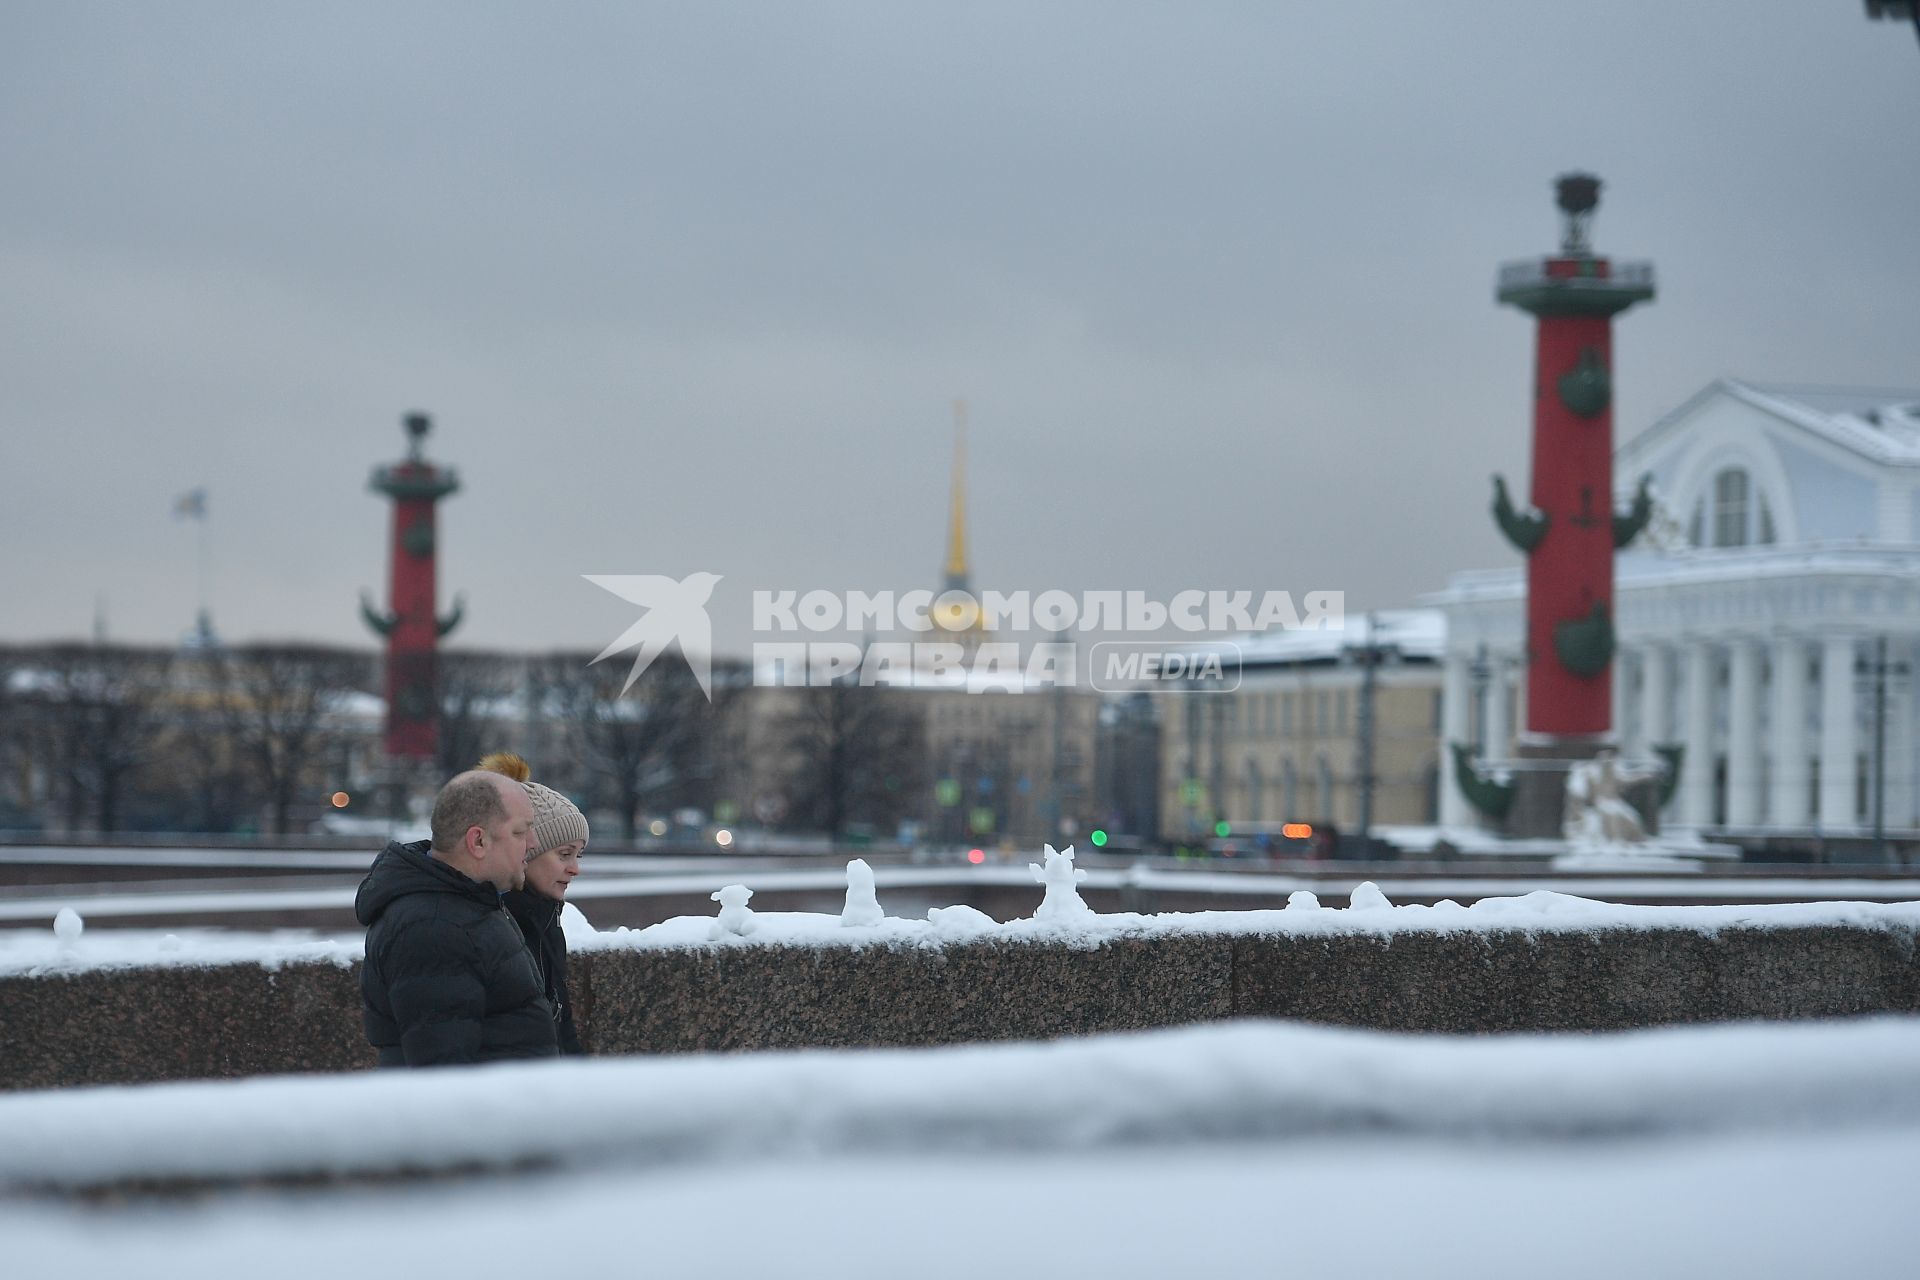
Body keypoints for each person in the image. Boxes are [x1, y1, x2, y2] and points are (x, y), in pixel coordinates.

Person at [355, 769, 560, 1067]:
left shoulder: (461, 907)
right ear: (478, 841)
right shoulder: (435, 928)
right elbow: (444, 1080)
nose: (532, 842)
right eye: (520, 831)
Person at [478, 752, 589, 1056]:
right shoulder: (490, 924)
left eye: (578, 856)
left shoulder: (545, 919)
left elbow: (562, 1029)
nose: (575, 868)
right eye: (564, 854)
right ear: (525, 851)